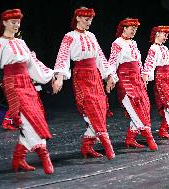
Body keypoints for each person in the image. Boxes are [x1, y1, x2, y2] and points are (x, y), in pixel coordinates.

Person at [0, 9, 54, 174]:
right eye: (13, 22)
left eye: (18, 22)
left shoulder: (21, 43)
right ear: (5, 23)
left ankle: (18, 158)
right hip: (12, 83)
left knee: (35, 116)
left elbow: (32, 63)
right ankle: (44, 155)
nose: (16, 25)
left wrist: (50, 76)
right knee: (28, 119)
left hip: (27, 83)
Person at [52, 7, 115, 160]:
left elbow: (100, 56)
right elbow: (63, 57)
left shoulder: (92, 36)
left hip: (95, 75)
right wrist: (59, 77)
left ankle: (87, 146)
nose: (89, 22)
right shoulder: (70, 36)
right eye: (86, 19)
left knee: (99, 109)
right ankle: (107, 143)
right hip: (82, 76)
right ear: (78, 18)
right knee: (91, 107)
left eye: (91, 19)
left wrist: (109, 76)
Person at [106, 18, 158, 151]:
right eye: (131, 29)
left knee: (144, 106)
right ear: (124, 28)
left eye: (135, 29)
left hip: (137, 79)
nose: (134, 31)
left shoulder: (134, 43)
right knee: (135, 107)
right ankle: (148, 137)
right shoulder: (117, 43)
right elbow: (112, 62)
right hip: (125, 78)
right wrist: (111, 76)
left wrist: (143, 76)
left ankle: (130, 138)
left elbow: (139, 62)